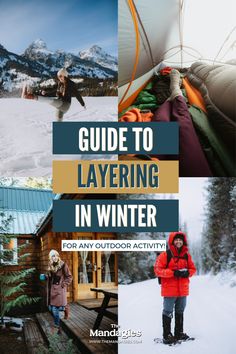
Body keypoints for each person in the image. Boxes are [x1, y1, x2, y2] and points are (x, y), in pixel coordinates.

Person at [154, 232, 196, 344]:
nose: (178, 242)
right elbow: (157, 270)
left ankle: (179, 333)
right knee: (167, 311)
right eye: (176, 240)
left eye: (180, 240)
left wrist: (187, 273)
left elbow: (193, 269)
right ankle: (167, 335)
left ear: (183, 242)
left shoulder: (187, 255)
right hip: (169, 290)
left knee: (180, 311)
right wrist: (173, 273)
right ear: (172, 242)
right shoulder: (165, 255)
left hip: (183, 290)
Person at [46, 249, 72, 334]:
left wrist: (63, 285)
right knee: (53, 307)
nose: (55, 257)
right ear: (50, 257)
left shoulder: (63, 265)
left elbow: (69, 277)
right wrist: (46, 277)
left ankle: (57, 327)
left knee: (54, 309)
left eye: (56, 255)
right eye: (53, 256)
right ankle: (65, 308)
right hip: (52, 290)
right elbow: (50, 277)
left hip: (59, 290)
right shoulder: (50, 265)